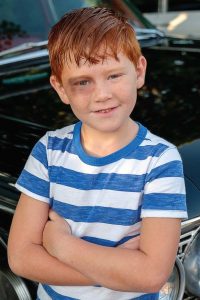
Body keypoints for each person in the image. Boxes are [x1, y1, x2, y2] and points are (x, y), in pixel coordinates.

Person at [8, 6, 187, 300]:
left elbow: (151, 275)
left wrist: (63, 246)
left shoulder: (160, 160)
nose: (101, 94)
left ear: (139, 71)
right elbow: (21, 258)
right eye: (82, 82)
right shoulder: (49, 150)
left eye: (113, 75)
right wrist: (122, 271)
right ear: (60, 88)